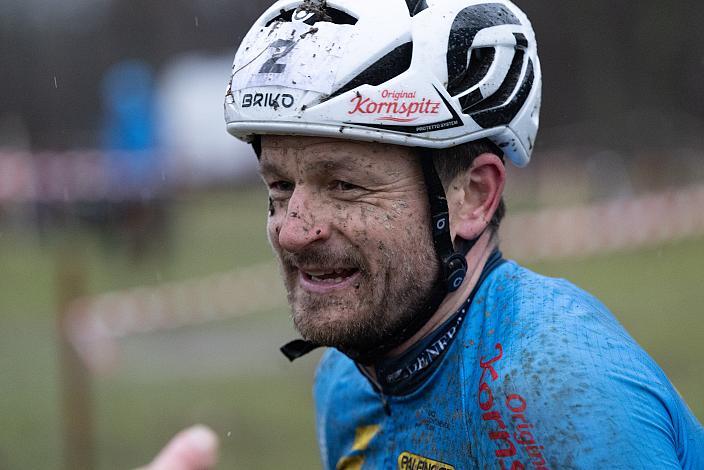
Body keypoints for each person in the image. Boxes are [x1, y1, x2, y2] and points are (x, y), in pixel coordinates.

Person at [149, 0, 704, 467]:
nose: (293, 232)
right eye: (278, 187)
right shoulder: (345, 384)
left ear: (474, 197)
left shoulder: (559, 394)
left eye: (344, 184)